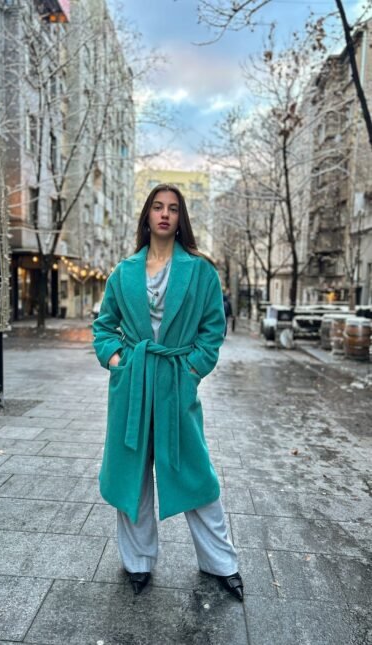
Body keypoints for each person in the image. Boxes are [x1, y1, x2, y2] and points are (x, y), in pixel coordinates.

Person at [92, 184, 243, 600]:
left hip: (176, 381)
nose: (164, 214)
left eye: (173, 208)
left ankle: (221, 562)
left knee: (194, 472)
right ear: (146, 216)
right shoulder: (124, 272)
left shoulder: (200, 271)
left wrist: (192, 369)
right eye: (157, 207)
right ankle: (138, 562)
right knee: (133, 476)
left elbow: (213, 330)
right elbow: (104, 327)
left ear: (181, 218)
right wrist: (118, 361)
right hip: (134, 385)